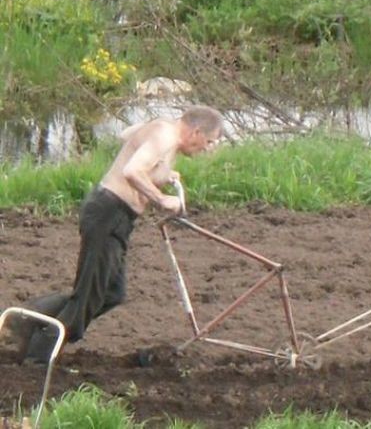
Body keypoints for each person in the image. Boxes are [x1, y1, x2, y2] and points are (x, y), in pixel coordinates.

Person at [14, 105, 224, 364]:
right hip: (108, 213)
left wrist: (160, 171)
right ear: (196, 132)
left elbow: (127, 134)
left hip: (118, 217)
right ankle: (38, 354)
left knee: (113, 292)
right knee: (89, 295)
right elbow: (132, 171)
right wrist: (161, 198)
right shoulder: (164, 136)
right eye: (209, 142)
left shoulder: (161, 130)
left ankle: (29, 318)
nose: (207, 149)